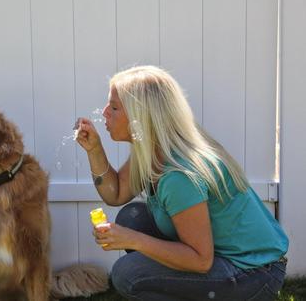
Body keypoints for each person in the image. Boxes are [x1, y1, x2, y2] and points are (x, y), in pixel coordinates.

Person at [75, 65, 289, 301]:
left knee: (128, 273)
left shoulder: (178, 175)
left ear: (140, 118)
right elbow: (115, 194)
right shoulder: (152, 151)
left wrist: (132, 240)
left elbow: (200, 260)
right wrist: (94, 150)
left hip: (255, 273)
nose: (105, 112)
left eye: (114, 107)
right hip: (223, 258)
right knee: (132, 217)